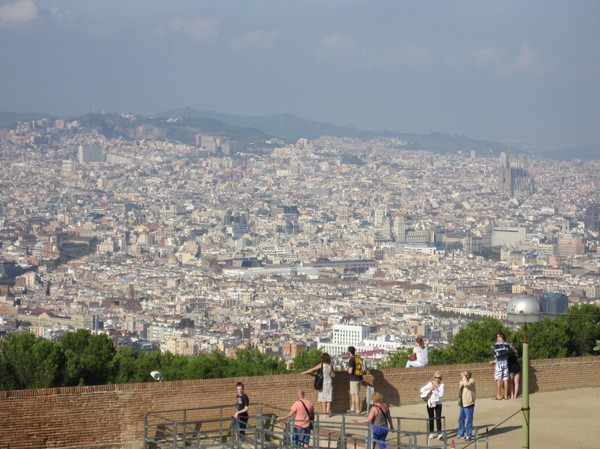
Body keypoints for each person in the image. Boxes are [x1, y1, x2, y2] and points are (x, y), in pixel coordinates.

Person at [301, 352, 335, 417]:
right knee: (328, 399)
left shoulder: (322, 364)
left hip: (323, 383)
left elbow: (312, 369)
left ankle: (325, 414)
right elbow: (333, 373)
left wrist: (304, 372)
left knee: (323, 399)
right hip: (329, 382)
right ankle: (328, 414)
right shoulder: (330, 364)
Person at [488, 332, 517, 400]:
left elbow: (496, 355)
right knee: (505, 380)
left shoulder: (496, 345)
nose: (497, 338)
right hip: (506, 364)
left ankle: (499, 396)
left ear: (501, 337)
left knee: (499, 379)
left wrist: (493, 361)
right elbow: (515, 351)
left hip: (499, 365)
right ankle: (506, 396)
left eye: (498, 337)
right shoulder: (508, 345)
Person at [420, 371, 445, 440]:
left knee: (438, 418)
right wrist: (430, 388)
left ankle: (439, 433)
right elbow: (421, 390)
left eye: (439, 378)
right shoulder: (430, 383)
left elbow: (441, 395)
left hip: (438, 404)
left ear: (440, 378)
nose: (437, 379)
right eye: (436, 377)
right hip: (430, 403)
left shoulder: (442, 385)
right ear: (434, 377)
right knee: (431, 418)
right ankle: (431, 433)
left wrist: (436, 389)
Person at [457, 371, 476, 441]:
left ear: (468, 375)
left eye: (465, 374)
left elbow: (466, 384)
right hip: (462, 403)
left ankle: (469, 435)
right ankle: (461, 433)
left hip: (469, 403)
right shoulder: (462, 381)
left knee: (469, 420)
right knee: (461, 419)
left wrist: (464, 377)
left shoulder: (471, 381)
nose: (463, 375)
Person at [347, 346, 364, 414]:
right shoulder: (358, 358)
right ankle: (352, 408)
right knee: (354, 394)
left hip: (354, 379)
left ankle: (358, 410)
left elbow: (350, 371)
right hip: (359, 378)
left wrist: (347, 369)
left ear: (349, 352)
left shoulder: (351, 360)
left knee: (356, 395)